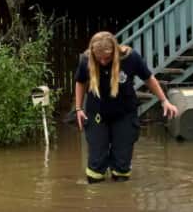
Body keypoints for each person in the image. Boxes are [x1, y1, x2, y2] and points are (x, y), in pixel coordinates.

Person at [74, 31, 178, 183]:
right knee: (96, 165)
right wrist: (78, 108)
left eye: (107, 58)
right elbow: (80, 81)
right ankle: (96, 200)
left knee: (122, 167)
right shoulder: (86, 60)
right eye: (99, 58)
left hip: (124, 115)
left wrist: (164, 101)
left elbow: (148, 78)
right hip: (97, 115)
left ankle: (120, 197)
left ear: (115, 51)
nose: (103, 62)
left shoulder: (130, 58)